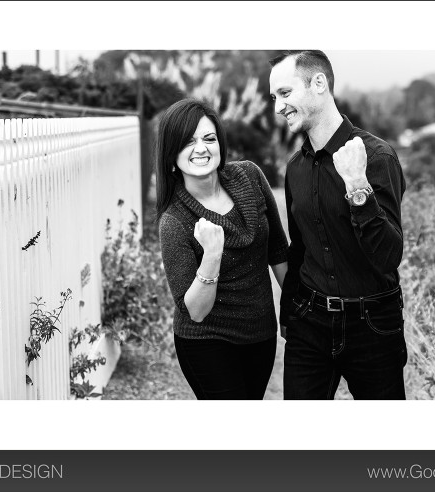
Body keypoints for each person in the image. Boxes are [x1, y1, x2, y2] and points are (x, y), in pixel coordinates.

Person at [269, 51, 408, 400]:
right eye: (274, 98)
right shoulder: (295, 169)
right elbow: (299, 250)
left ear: (319, 84)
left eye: (284, 93)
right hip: (309, 324)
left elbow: (389, 256)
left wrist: (357, 187)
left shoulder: (376, 157)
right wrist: (291, 316)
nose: (277, 107)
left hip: (373, 325)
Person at [156, 98, 289, 400]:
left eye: (209, 138)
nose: (201, 148)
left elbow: (279, 252)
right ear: (170, 154)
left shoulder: (251, 176)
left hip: (260, 334)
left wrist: (294, 313)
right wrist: (212, 256)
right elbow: (197, 311)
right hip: (207, 341)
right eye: (188, 142)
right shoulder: (175, 222)